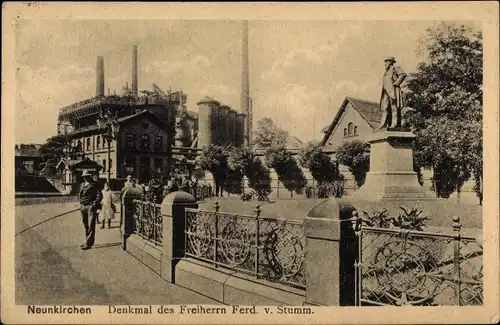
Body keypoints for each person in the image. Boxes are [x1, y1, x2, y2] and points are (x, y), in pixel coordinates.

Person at [379, 56, 407, 129]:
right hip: (385, 91)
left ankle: (394, 124)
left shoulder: (395, 68)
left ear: (391, 62)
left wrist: (396, 83)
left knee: (394, 107)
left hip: (393, 91)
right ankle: (383, 124)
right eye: (385, 62)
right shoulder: (386, 71)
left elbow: (403, 74)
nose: (385, 63)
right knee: (384, 108)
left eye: (387, 61)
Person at [79, 170, 101, 250]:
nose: (86, 178)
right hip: (83, 207)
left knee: (91, 225)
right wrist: (81, 204)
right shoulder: (82, 184)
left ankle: (89, 243)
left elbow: (99, 195)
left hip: (90, 207)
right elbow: (80, 195)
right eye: (84, 176)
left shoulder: (94, 184)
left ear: (90, 176)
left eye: (87, 176)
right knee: (85, 225)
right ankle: (87, 241)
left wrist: (94, 205)